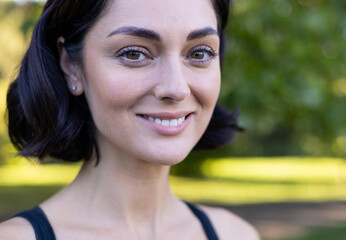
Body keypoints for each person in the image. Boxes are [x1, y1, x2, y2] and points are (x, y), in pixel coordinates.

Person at [0, 0, 259, 239]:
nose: (177, 88)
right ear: (70, 65)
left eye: (200, 53)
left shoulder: (236, 234)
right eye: (134, 54)